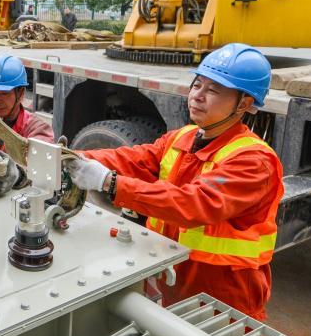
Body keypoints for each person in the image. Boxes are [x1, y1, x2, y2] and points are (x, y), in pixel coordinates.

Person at [66, 44, 283, 320]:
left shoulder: (254, 160)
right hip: (177, 282)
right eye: (197, 85)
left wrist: (109, 183)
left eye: (213, 90)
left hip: (224, 298)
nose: (197, 96)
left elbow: (193, 204)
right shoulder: (186, 136)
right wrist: (75, 157)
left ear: (244, 104)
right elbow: (136, 159)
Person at [0, 54, 54, 195]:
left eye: (3, 94)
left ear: (21, 93)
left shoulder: (37, 129)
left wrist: (18, 175)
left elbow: (42, 165)